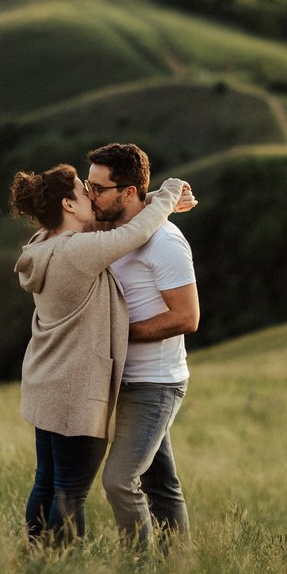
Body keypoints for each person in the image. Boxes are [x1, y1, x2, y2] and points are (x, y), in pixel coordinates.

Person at [10, 163, 189, 545]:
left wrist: (151, 198)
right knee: (71, 491)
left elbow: (130, 218)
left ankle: (36, 556)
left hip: (46, 382)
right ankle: (59, 562)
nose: (90, 195)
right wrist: (170, 189)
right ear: (68, 206)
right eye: (83, 190)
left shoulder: (43, 243)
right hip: (76, 392)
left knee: (46, 481)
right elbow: (137, 229)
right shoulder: (81, 252)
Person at [87, 142, 199, 548]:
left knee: (119, 481)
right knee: (160, 483)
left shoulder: (166, 242)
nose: (90, 196)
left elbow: (186, 317)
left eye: (99, 188)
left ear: (129, 193)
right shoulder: (110, 232)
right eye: (88, 185)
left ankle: (139, 572)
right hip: (121, 380)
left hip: (156, 383)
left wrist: (115, 332)